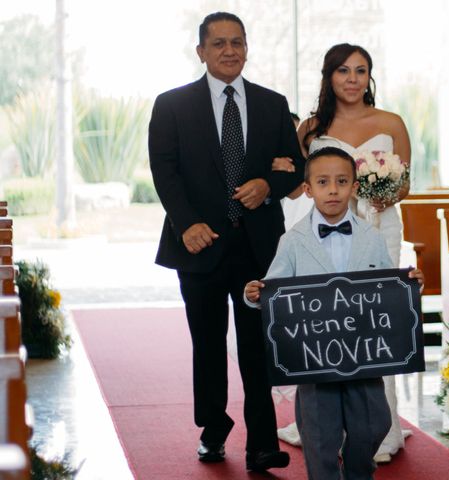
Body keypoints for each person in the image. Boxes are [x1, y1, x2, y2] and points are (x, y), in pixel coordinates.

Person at [148, 12, 304, 471]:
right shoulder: (172, 105)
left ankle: (261, 443)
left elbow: (296, 167)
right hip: (200, 244)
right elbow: (165, 172)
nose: (229, 50)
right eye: (218, 44)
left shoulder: (273, 104)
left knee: (258, 346)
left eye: (237, 42)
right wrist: (186, 223)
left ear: (247, 48)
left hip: (258, 247)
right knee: (209, 344)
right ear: (201, 52)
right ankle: (213, 429)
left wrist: (267, 186)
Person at [244, 147, 424, 480]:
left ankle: (359, 470)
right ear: (309, 189)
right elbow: (275, 289)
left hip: (363, 358)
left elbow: (386, 286)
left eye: (341, 181)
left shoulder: (370, 237)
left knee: (374, 424)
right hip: (314, 365)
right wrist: (256, 294)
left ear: (354, 187)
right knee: (319, 436)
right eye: (323, 182)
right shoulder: (293, 241)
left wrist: (410, 285)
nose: (333, 190)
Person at [273, 42, 412, 463]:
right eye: (343, 71)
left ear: (370, 76)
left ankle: (379, 428)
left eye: (361, 70)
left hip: (377, 227)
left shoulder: (391, 122)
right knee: (327, 320)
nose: (352, 79)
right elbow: (302, 183)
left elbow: (406, 182)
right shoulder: (311, 128)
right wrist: (281, 173)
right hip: (322, 234)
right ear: (329, 76)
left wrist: (381, 191)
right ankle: (323, 425)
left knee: (372, 321)